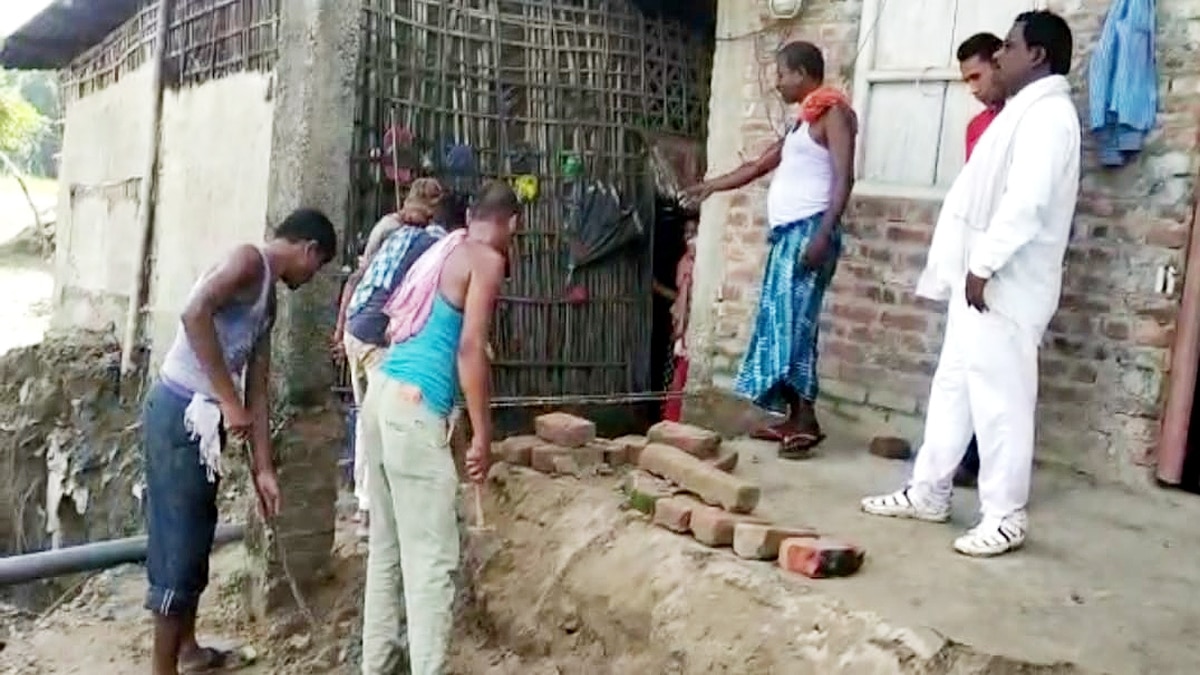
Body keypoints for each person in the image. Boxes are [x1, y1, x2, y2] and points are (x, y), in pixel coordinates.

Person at [862, 10, 1080, 558]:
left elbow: (1026, 203)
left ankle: (1005, 516)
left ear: (1038, 55)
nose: (999, 55)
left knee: (1002, 400)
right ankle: (929, 490)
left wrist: (983, 265)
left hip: (1004, 284)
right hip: (977, 281)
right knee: (954, 388)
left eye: (1009, 46)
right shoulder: (1021, 112)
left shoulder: (1049, 116)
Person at [143, 208, 337, 674]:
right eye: (319, 266)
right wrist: (227, 400)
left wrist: (263, 468)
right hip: (178, 415)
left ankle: (187, 651)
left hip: (202, 422)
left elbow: (259, 388)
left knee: (195, 534)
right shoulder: (248, 262)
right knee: (179, 544)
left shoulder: (268, 300)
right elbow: (194, 314)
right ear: (308, 250)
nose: (313, 278)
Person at [359, 181, 519, 674]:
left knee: (386, 549)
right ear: (512, 224)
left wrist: (465, 440)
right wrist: (485, 435)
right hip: (413, 406)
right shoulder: (486, 260)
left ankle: (377, 665)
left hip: (382, 394)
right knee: (431, 563)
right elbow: (470, 350)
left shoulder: (444, 246)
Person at [684, 41, 856, 458]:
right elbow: (759, 165)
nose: (778, 83)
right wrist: (711, 186)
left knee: (795, 326)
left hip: (809, 233)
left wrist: (823, 234)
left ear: (802, 73)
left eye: (781, 74)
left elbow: (844, 177)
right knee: (783, 325)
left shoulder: (835, 114)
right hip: (790, 236)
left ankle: (807, 421)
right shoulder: (803, 123)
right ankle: (794, 418)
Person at [332, 179, 462, 538]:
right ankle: (376, 510)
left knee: (368, 419)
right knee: (387, 421)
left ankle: (365, 505)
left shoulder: (394, 231)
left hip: (357, 329)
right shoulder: (436, 242)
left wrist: (341, 324)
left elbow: (359, 278)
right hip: (376, 333)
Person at [952, 31, 1007, 488]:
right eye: (967, 79)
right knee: (964, 359)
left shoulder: (1028, 122)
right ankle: (963, 452)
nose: (974, 87)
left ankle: (990, 461)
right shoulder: (977, 127)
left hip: (1008, 258)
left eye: (977, 75)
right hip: (972, 253)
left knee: (998, 365)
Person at [660, 217, 697, 423]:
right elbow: (682, 295)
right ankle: (671, 420)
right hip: (683, 323)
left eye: (694, 232)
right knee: (676, 374)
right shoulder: (685, 262)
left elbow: (686, 296)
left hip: (689, 324)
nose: (690, 237)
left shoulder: (695, 263)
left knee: (681, 374)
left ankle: (674, 421)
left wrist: (682, 326)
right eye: (686, 233)